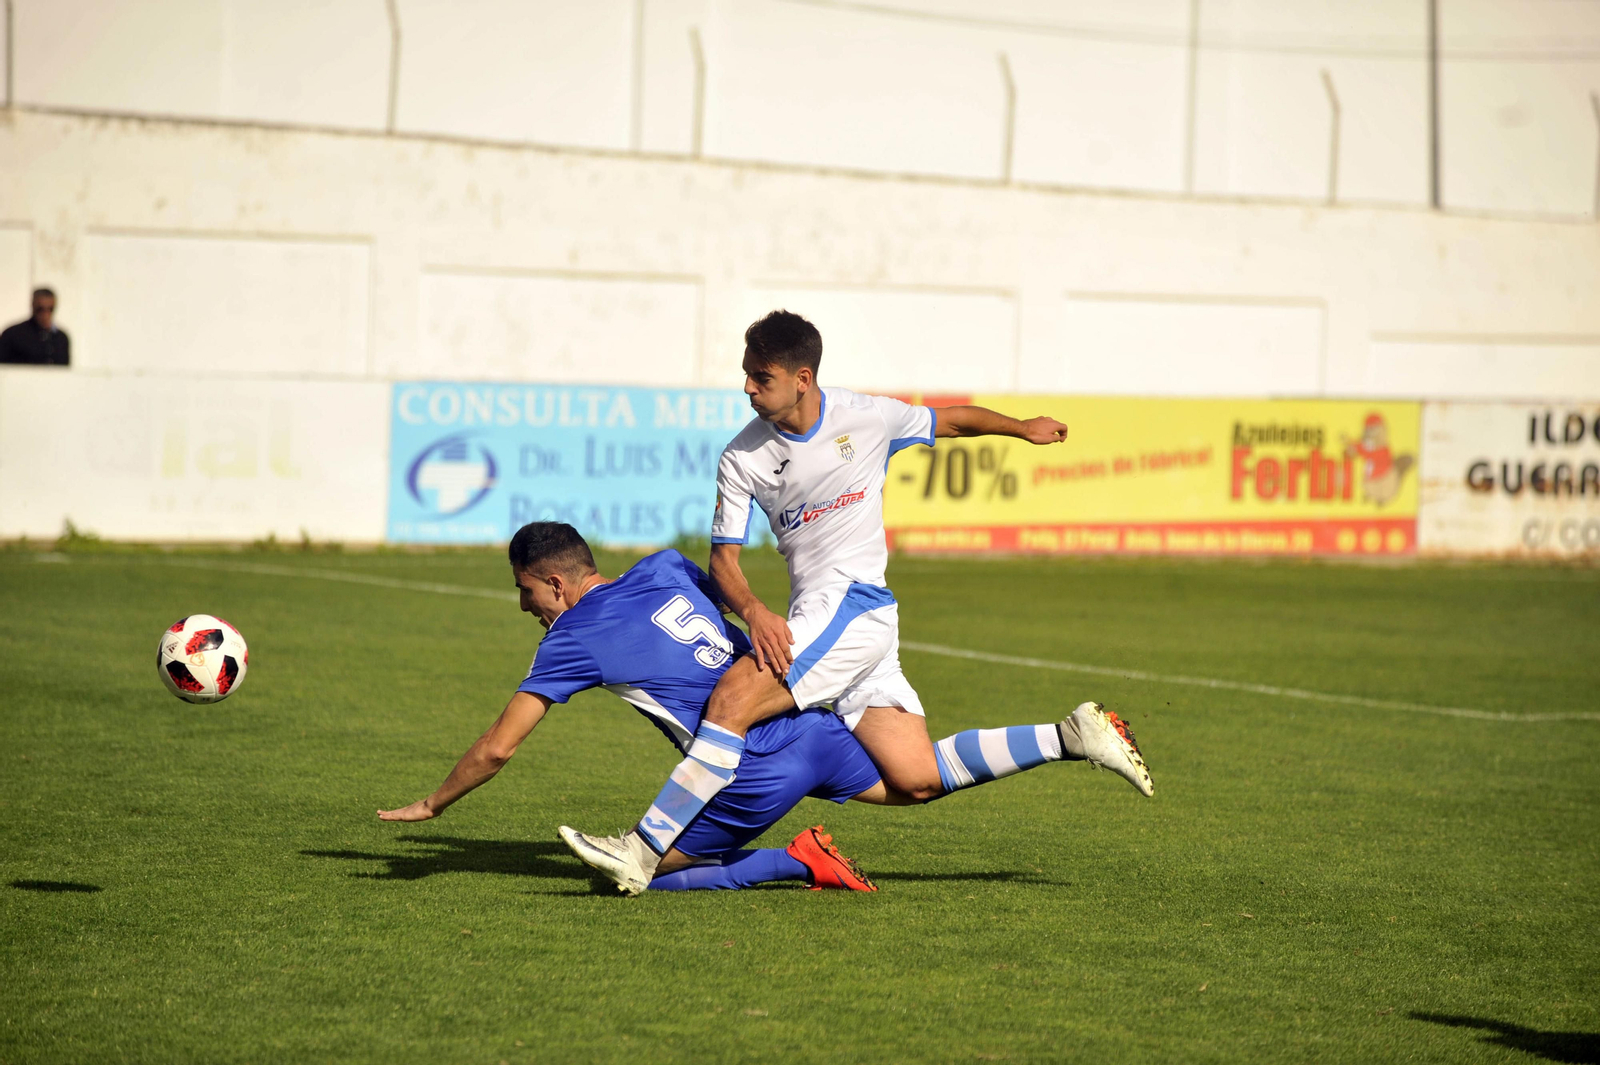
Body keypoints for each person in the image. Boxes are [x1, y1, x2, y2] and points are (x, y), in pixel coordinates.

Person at [563, 311, 1154, 895]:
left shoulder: (866, 417)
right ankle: (1070, 736)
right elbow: (724, 563)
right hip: (842, 623)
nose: (746, 387)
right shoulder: (742, 457)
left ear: (802, 378)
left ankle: (639, 852)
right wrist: (756, 611)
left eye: (760, 377)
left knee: (732, 699)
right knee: (916, 777)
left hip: (852, 606)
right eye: (745, 373)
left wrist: (1020, 427)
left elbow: (949, 421)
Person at [379, 522, 1140, 892]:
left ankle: (794, 859)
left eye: (523, 591)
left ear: (550, 583)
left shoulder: (570, 637)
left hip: (750, 764)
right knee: (917, 777)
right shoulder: (665, 566)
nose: (523, 607)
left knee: (625, 876)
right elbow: (732, 600)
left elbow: (499, 747)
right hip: (807, 715)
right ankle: (1065, 735)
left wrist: (433, 803)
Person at [0, 289, 70, 366]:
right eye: (40, 309)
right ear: (33, 305)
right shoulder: (12, 335)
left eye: (50, 309)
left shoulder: (61, 338)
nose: (45, 314)